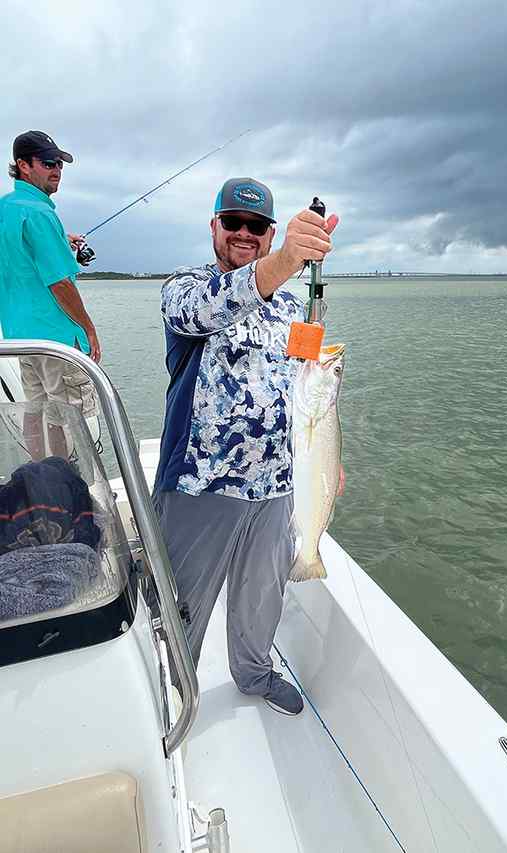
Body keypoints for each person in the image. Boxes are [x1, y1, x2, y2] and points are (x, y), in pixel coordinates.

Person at [153, 177, 338, 715]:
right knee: (182, 603)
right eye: (232, 222)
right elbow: (208, 310)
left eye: (256, 226)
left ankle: (254, 674)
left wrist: (326, 460)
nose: (243, 233)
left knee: (264, 596)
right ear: (214, 226)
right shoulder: (186, 289)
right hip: (200, 483)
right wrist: (284, 261)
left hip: (280, 483)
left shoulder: (288, 310)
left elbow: (308, 380)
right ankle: (166, 695)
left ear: (269, 231)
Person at [0, 131, 101, 461]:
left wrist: (61, 243)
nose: (56, 169)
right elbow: (59, 283)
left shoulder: (6, 209)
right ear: (23, 165)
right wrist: (88, 328)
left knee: (36, 408)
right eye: (48, 163)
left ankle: (41, 476)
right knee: (68, 416)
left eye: (59, 163)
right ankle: (67, 480)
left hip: (21, 337)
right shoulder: (41, 214)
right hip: (56, 339)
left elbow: (20, 261)